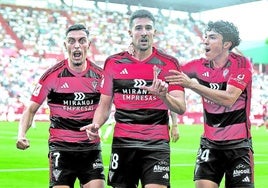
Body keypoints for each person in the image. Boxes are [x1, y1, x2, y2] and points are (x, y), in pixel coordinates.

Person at [81, 9, 186, 188]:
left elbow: (181, 107)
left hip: (156, 144)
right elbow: (104, 106)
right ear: (130, 33)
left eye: (148, 28)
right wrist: (96, 124)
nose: (144, 32)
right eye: (138, 28)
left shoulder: (170, 63)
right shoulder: (113, 63)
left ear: (155, 32)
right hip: (123, 144)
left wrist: (164, 96)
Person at [165, 20, 254, 188]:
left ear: (226, 44)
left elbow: (229, 99)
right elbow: (170, 77)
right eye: (205, 37)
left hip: (239, 146)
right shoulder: (198, 65)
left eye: (212, 37)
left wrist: (191, 84)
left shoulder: (241, 64)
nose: (205, 41)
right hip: (210, 145)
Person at [16, 24, 105, 188]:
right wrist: (21, 134)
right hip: (61, 148)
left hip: (90, 148)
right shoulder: (51, 76)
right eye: (71, 41)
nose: (77, 45)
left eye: (81, 41)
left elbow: (108, 106)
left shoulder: (101, 76)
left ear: (88, 45)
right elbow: (30, 110)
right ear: (66, 45)